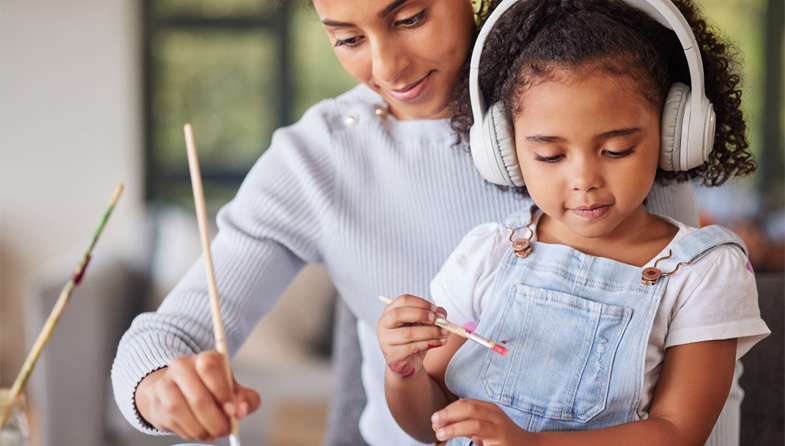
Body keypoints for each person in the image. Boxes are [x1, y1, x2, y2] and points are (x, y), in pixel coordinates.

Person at [111, 0, 709, 444]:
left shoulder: (602, 104)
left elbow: (700, 371)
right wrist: (159, 385)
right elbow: (163, 339)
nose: (387, 66)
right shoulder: (314, 161)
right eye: (347, 38)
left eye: (410, 18)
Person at [376, 0, 771, 444]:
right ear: (505, 151)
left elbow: (677, 432)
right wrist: (402, 373)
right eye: (550, 155)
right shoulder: (488, 254)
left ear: (673, 130)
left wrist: (531, 443)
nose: (584, 180)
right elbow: (434, 423)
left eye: (617, 149)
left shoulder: (704, 272)